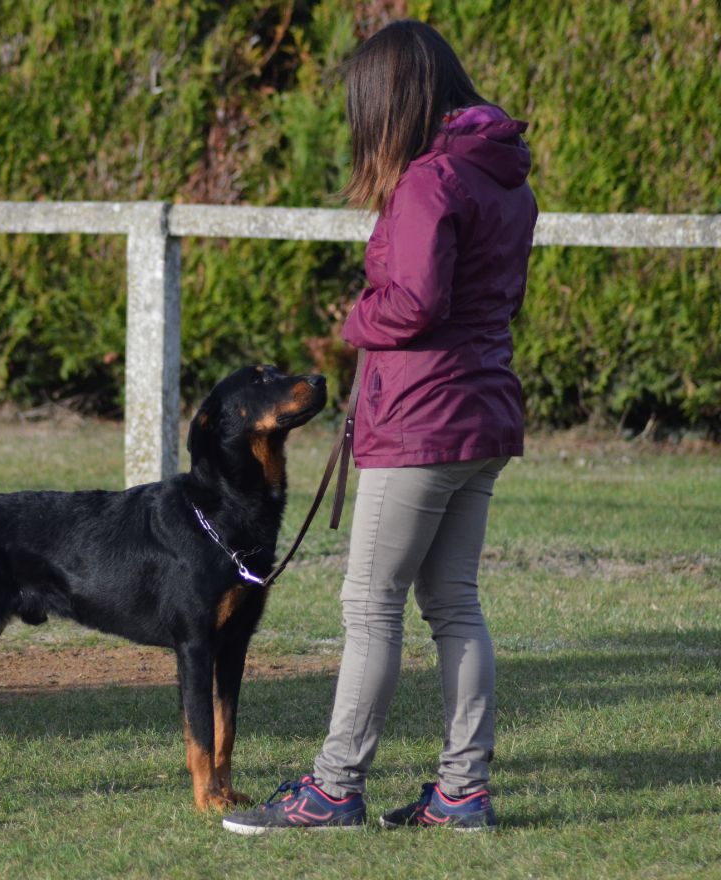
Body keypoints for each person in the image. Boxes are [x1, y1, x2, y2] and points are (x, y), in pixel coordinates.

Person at [222, 18, 538, 834]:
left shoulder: (432, 180)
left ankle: (333, 788)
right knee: (455, 604)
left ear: (396, 98)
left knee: (370, 604)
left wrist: (356, 317)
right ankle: (462, 792)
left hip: (422, 420)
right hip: (482, 414)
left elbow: (414, 303)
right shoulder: (504, 177)